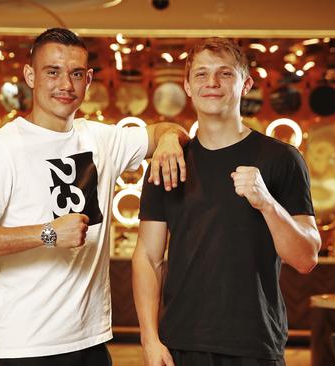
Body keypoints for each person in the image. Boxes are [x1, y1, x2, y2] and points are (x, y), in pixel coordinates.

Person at [0, 28, 189, 365]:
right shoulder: (0, 148)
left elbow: (169, 130)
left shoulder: (103, 140)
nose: (66, 85)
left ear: (88, 80)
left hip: (91, 343)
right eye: (53, 72)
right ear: (30, 76)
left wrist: (167, 141)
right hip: (27, 348)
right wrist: (47, 233)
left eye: (76, 74)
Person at [133, 37, 322, 366]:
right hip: (180, 343)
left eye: (224, 74)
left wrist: (266, 203)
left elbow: (305, 259)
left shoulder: (282, 159)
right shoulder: (168, 162)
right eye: (201, 74)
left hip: (254, 344)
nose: (212, 83)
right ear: (188, 87)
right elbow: (149, 257)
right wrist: (149, 339)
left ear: (245, 83)